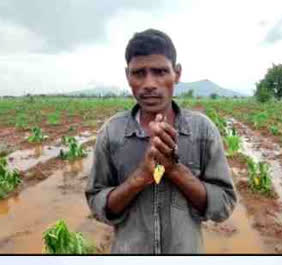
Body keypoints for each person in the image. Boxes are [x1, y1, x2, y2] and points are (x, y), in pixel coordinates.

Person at [86, 29, 237, 253]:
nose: (149, 83)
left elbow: (223, 205)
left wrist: (174, 169)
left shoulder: (202, 131)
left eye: (160, 72)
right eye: (139, 73)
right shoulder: (111, 133)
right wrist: (140, 178)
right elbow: (97, 204)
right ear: (128, 76)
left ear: (176, 73)